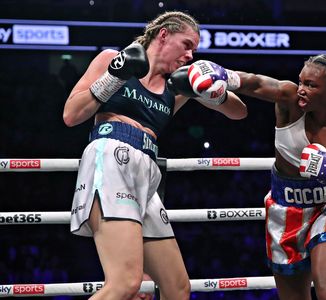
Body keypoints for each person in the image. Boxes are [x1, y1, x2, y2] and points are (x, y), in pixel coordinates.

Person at [63, 11, 247, 300]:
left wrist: (215, 86)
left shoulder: (178, 86)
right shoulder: (112, 57)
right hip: (111, 155)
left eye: (194, 50)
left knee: (177, 288)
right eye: (187, 45)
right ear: (163, 35)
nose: (190, 55)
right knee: (124, 284)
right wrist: (114, 76)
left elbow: (239, 112)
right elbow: (71, 115)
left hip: (147, 173)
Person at [217, 54, 326, 299]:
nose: (301, 90)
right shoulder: (289, 99)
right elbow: (256, 83)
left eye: (311, 85)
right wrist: (220, 74)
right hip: (285, 208)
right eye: (301, 82)